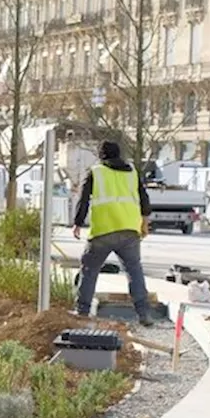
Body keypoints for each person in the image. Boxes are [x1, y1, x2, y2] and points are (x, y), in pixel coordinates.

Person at [72, 140, 154, 326]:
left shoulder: (96, 172)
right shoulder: (132, 172)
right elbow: (144, 198)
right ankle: (144, 313)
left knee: (89, 270)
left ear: (101, 155)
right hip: (129, 230)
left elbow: (83, 199)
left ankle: (82, 311)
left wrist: (77, 223)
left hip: (103, 231)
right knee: (134, 270)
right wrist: (145, 222)